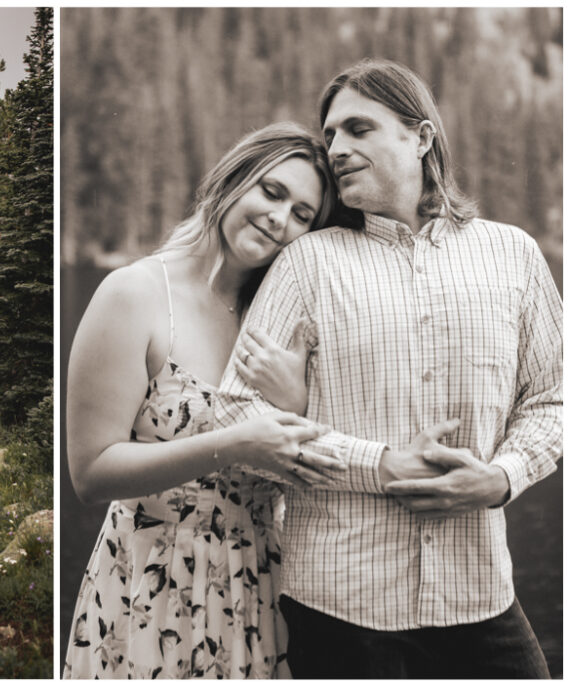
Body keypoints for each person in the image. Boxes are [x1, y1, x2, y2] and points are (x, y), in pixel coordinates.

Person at [216, 59, 561, 678]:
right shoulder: (306, 263)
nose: (336, 149)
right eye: (330, 137)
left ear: (421, 137)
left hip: (481, 594)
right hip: (340, 606)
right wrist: (378, 465)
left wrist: (502, 478)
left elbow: (553, 399)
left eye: (357, 129)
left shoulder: (515, 255)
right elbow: (239, 417)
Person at [64, 122, 351, 679]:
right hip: (152, 583)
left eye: (302, 215)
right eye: (271, 192)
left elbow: (319, 462)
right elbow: (90, 472)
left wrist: (297, 402)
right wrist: (235, 442)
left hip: (260, 588)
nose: (279, 219)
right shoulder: (137, 294)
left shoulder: (280, 321)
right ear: (233, 179)